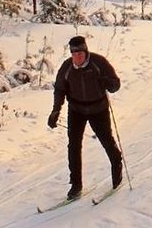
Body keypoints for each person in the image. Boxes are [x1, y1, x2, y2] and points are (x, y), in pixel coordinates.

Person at [48, 35, 123, 199]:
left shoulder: (98, 63)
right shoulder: (67, 67)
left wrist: (107, 83)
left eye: (80, 53)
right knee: (73, 146)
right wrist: (55, 111)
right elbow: (60, 89)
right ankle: (76, 185)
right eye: (74, 54)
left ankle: (117, 171)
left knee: (107, 141)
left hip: (98, 109)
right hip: (77, 110)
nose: (77, 57)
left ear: (85, 51)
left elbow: (115, 84)